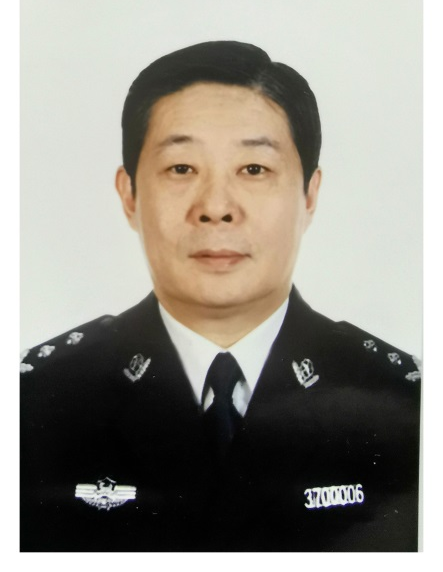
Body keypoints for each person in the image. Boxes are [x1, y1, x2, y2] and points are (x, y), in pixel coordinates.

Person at [20, 41, 421, 552]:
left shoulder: (408, 405)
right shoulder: (34, 402)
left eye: (254, 169)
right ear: (129, 194)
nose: (215, 207)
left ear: (309, 195)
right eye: (181, 168)